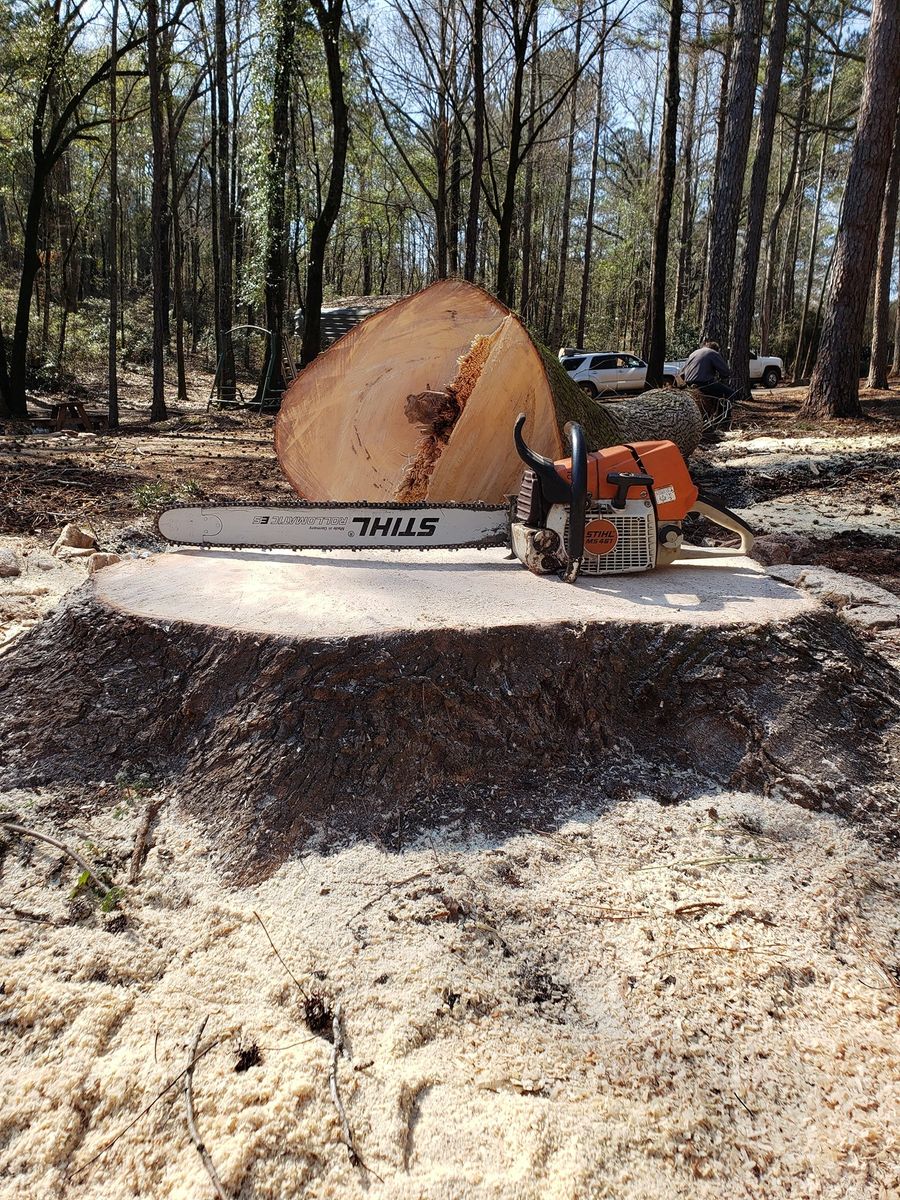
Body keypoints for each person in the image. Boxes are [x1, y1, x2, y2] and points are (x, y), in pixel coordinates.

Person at [676, 340, 735, 433]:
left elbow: (682, 373)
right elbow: (725, 371)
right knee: (729, 394)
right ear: (716, 349)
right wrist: (723, 376)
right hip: (704, 383)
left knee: (716, 393)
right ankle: (723, 421)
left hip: (689, 384)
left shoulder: (694, 353)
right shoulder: (713, 353)